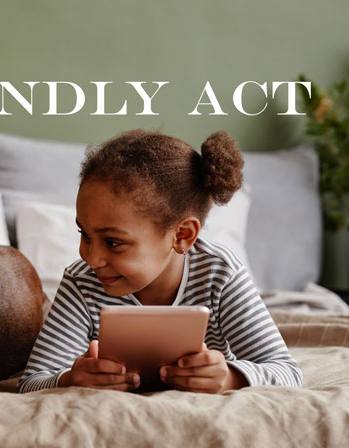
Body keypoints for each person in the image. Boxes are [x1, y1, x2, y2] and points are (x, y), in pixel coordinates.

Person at [18, 129, 303, 394]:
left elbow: (287, 372)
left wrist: (231, 377)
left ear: (182, 235)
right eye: (85, 234)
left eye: (113, 242)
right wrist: (69, 379)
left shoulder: (220, 274)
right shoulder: (81, 283)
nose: (91, 258)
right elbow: (31, 383)